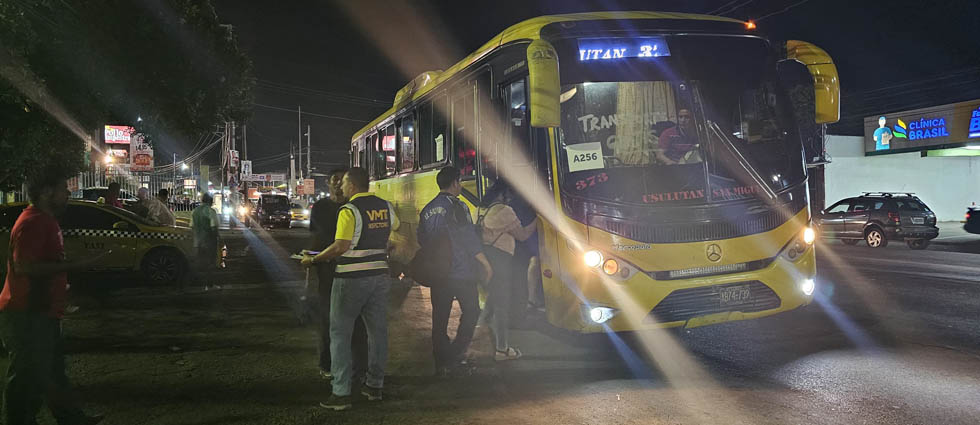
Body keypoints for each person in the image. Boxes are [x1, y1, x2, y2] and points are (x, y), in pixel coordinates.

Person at [0, 171, 106, 425]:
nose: (68, 194)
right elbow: (24, 267)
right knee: (26, 375)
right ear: (47, 193)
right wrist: (77, 265)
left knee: (54, 371)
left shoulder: (44, 220)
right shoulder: (33, 222)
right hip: (27, 311)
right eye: (63, 189)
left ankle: (71, 418)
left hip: (43, 309)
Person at [302, 168, 399, 411]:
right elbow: (393, 231)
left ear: (353, 185)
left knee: (340, 334)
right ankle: (374, 385)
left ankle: (341, 392)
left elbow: (340, 246)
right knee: (377, 333)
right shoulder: (385, 206)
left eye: (344, 183)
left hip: (351, 278)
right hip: (379, 277)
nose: (341, 188)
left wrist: (314, 259)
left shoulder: (349, 210)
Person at [418, 167, 492, 375]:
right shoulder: (459, 206)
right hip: (461, 272)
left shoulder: (428, 209)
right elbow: (468, 238)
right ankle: (455, 353)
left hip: (438, 273)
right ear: (455, 183)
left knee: (439, 319)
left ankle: (441, 362)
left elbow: (422, 239)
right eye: (459, 182)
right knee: (472, 311)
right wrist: (485, 263)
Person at [308, 169, 367, 381]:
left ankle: (358, 368)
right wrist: (312, 260)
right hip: (327, 271)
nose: (338, 184)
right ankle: (327, 363)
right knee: (328, 319)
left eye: (342, 180)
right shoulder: (321, 207)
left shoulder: (354, 208)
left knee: (357, 321)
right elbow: (316, 236)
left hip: (352, 270)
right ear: (328, 183)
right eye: (335, 180)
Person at [479, 183, 536, 361]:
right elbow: (523, 235)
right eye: (508, 195)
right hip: (500, 261)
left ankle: (477, 331)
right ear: (502, 195)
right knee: (501, 305)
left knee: (493, 298)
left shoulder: (481, 210)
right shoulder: (504, 211)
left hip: (485, 259)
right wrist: (538, 219)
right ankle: (502, 350)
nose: (509, 199)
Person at [191, 193, 220, 291]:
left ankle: (197, 285)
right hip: (208, 241)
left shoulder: (195, 211)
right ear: (210, 201)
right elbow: (214, 227)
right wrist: (217, 239)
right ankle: (209, 285)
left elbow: (192, 226)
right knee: (210, 264)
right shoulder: (210, 211)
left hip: (197, 241)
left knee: (199, 263)